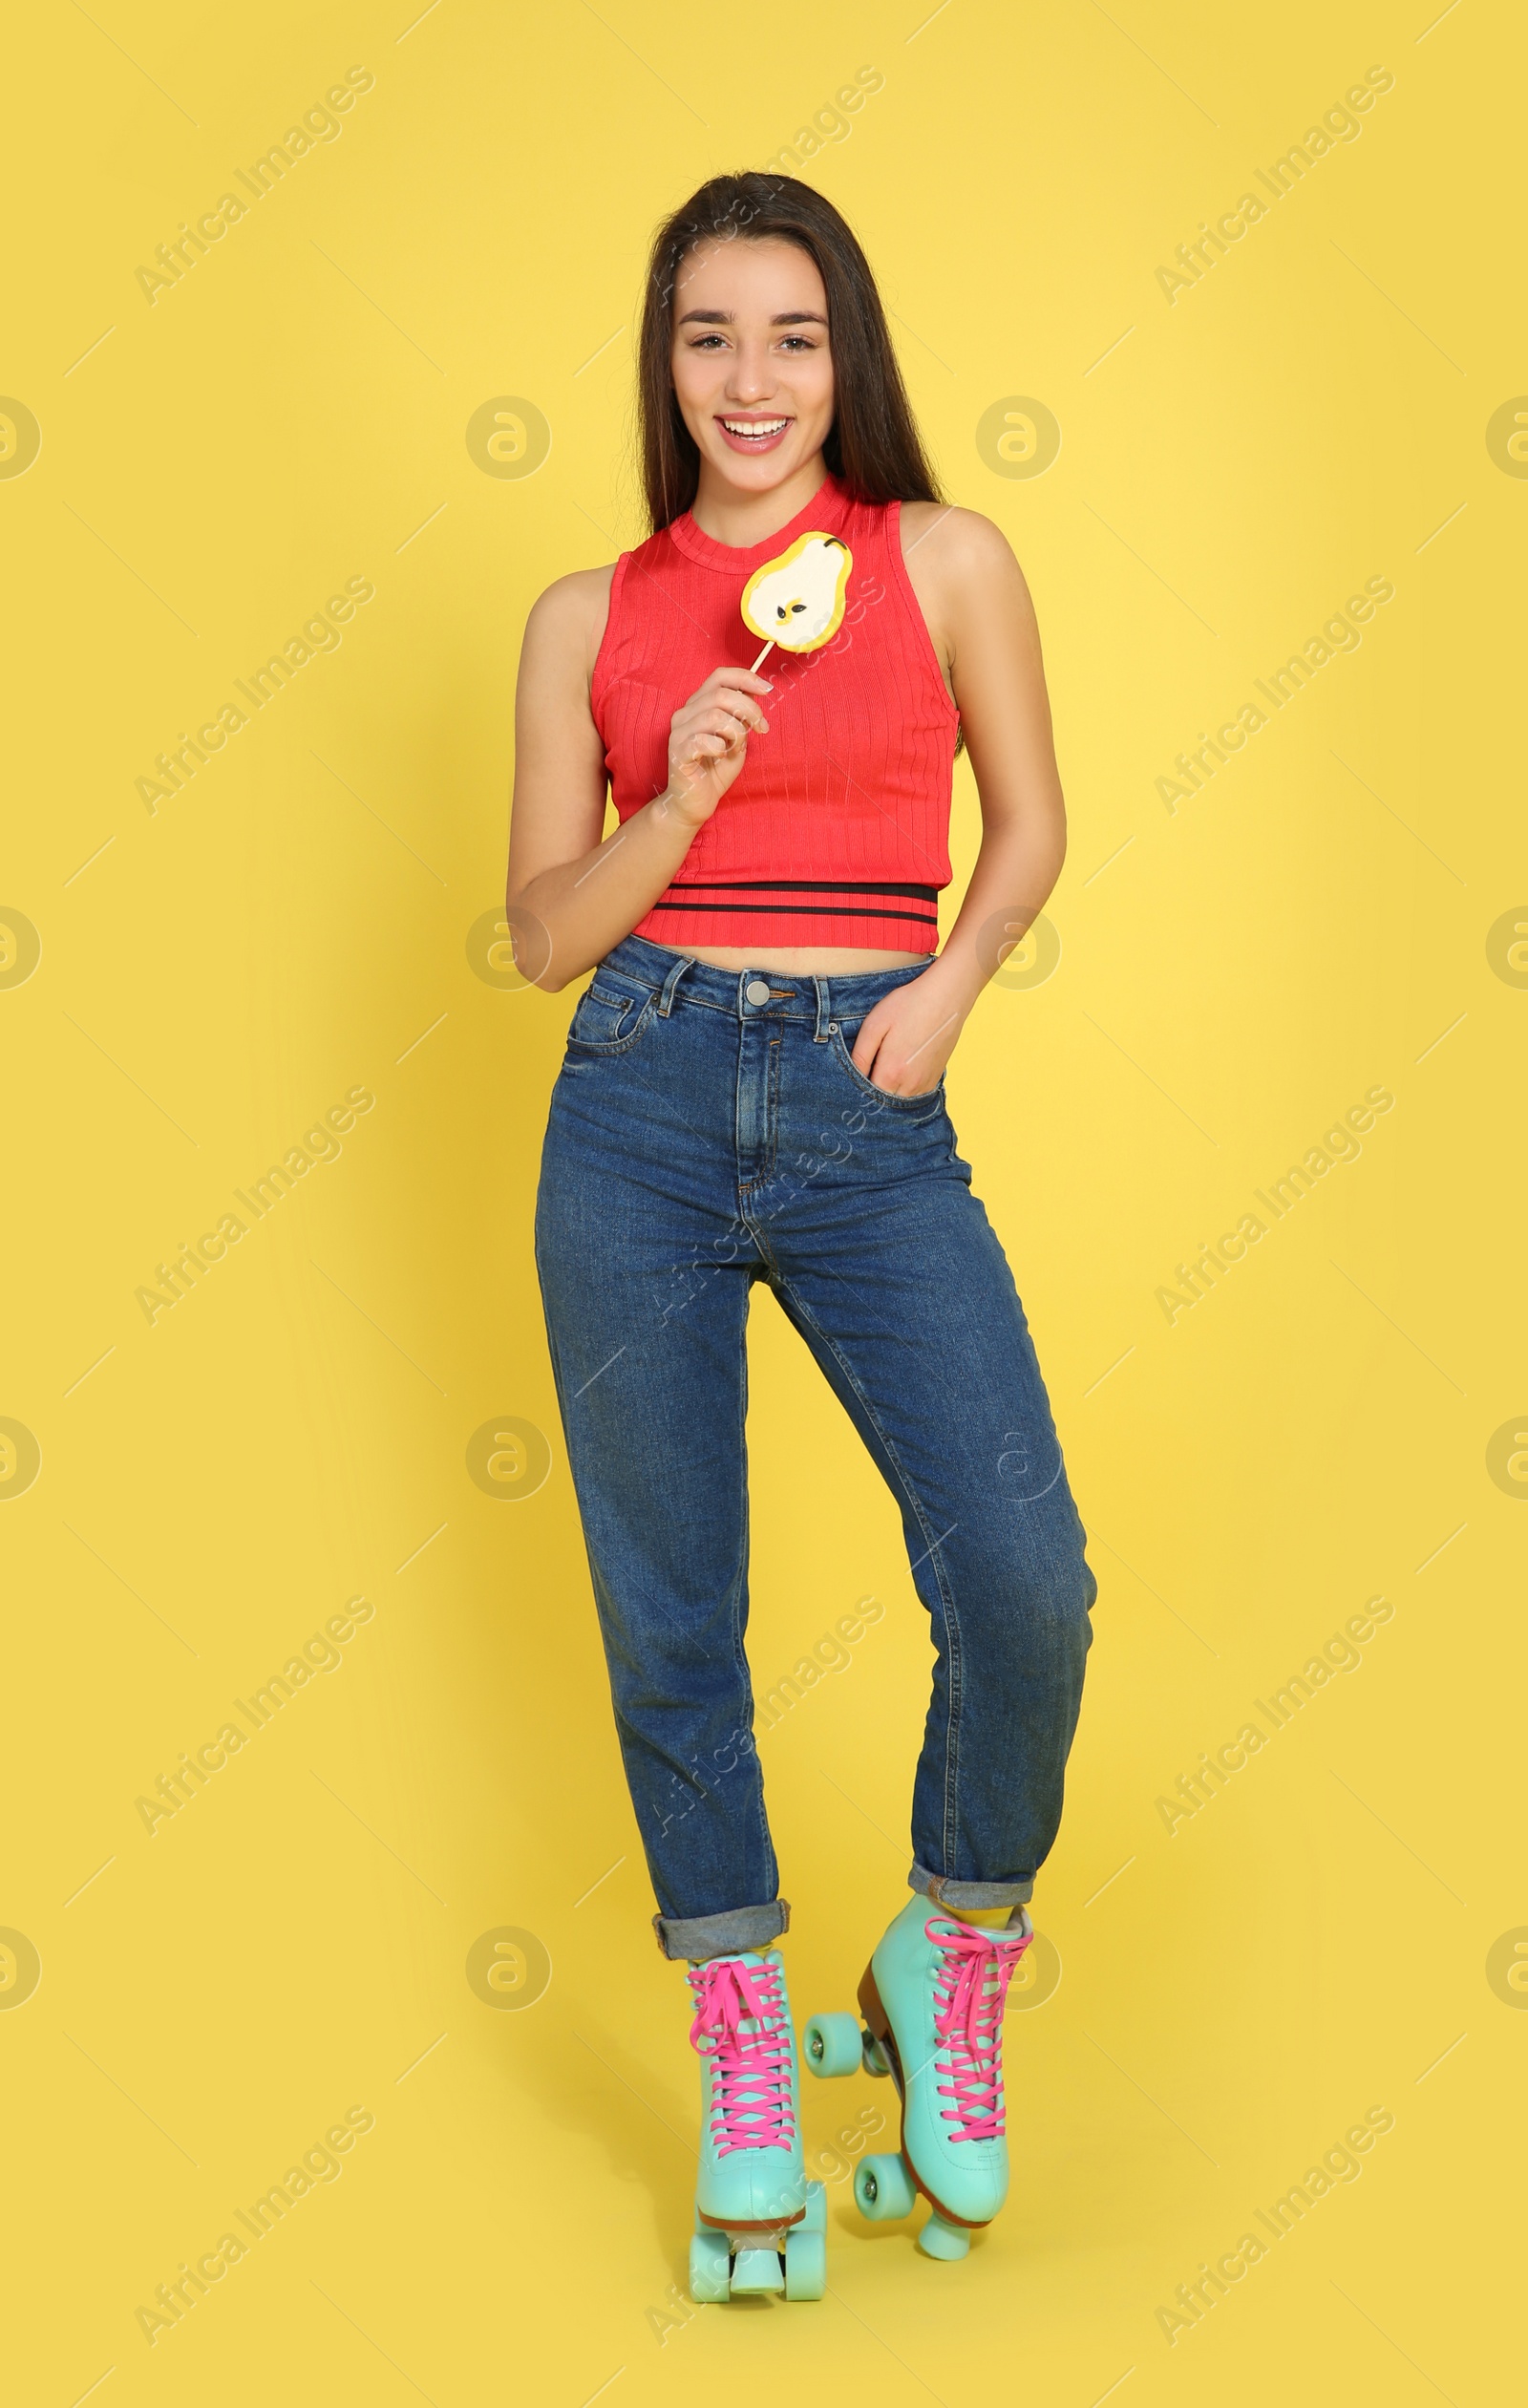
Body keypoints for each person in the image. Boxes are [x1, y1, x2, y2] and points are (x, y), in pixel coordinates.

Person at [509, 173, 1097, 2293]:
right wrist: (668, 801)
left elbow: (1023, 824)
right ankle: (741, 2027)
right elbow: (532, 936)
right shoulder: (589, 615)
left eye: (787, 337)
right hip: (640, 1102)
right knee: (676, 1619)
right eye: (704, 339)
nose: (747, 382)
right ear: (660, 364)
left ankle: (951, 1945)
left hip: (871, 1093)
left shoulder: (940, 560)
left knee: (1021, 1576)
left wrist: (941, 998)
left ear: (841, 354)